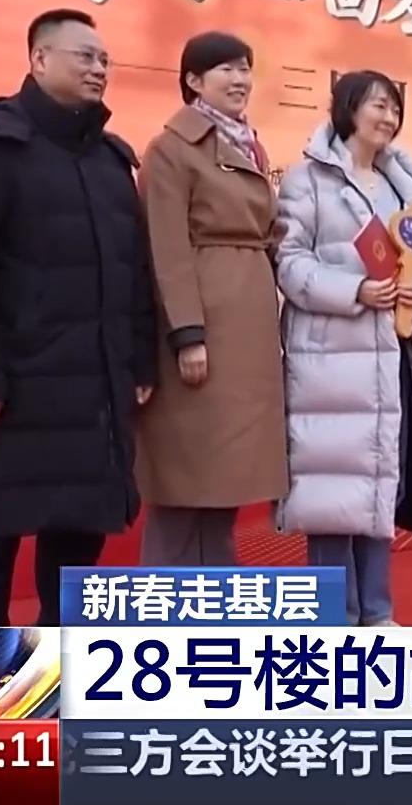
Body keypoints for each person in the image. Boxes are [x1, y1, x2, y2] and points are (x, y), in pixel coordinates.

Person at [0, 8, 155, 626]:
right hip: (12, 387)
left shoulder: (111, 162)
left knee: (77, 541)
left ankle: (59, 664)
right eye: (85, 56)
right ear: (39, 59)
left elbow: (135, 274)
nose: (99, 68)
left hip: (93, 390)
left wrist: (139, 362)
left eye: (104, 59)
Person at [274, 70, 412, 626]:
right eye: (378, 105)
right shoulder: (307, 180)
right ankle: (334, 617)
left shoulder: (404, 188)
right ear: (348, 108)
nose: (388, 117)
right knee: (332, 491)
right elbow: (289, 263)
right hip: (330, 358)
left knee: (378, 482)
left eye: (395, 108)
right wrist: (355, 290)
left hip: (392, 355)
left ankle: (377, 611)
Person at [134, 32, 286, 566]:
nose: (240, 79)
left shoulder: (249, 144)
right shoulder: (172, 148)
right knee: (187, 480)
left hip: (248, 326)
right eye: (226, 69)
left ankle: (216, 596)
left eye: (245, 68)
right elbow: (166, 247)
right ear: (194, 81)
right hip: (205, 326)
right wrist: (187, 333)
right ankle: (162, 601)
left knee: (226, 482)